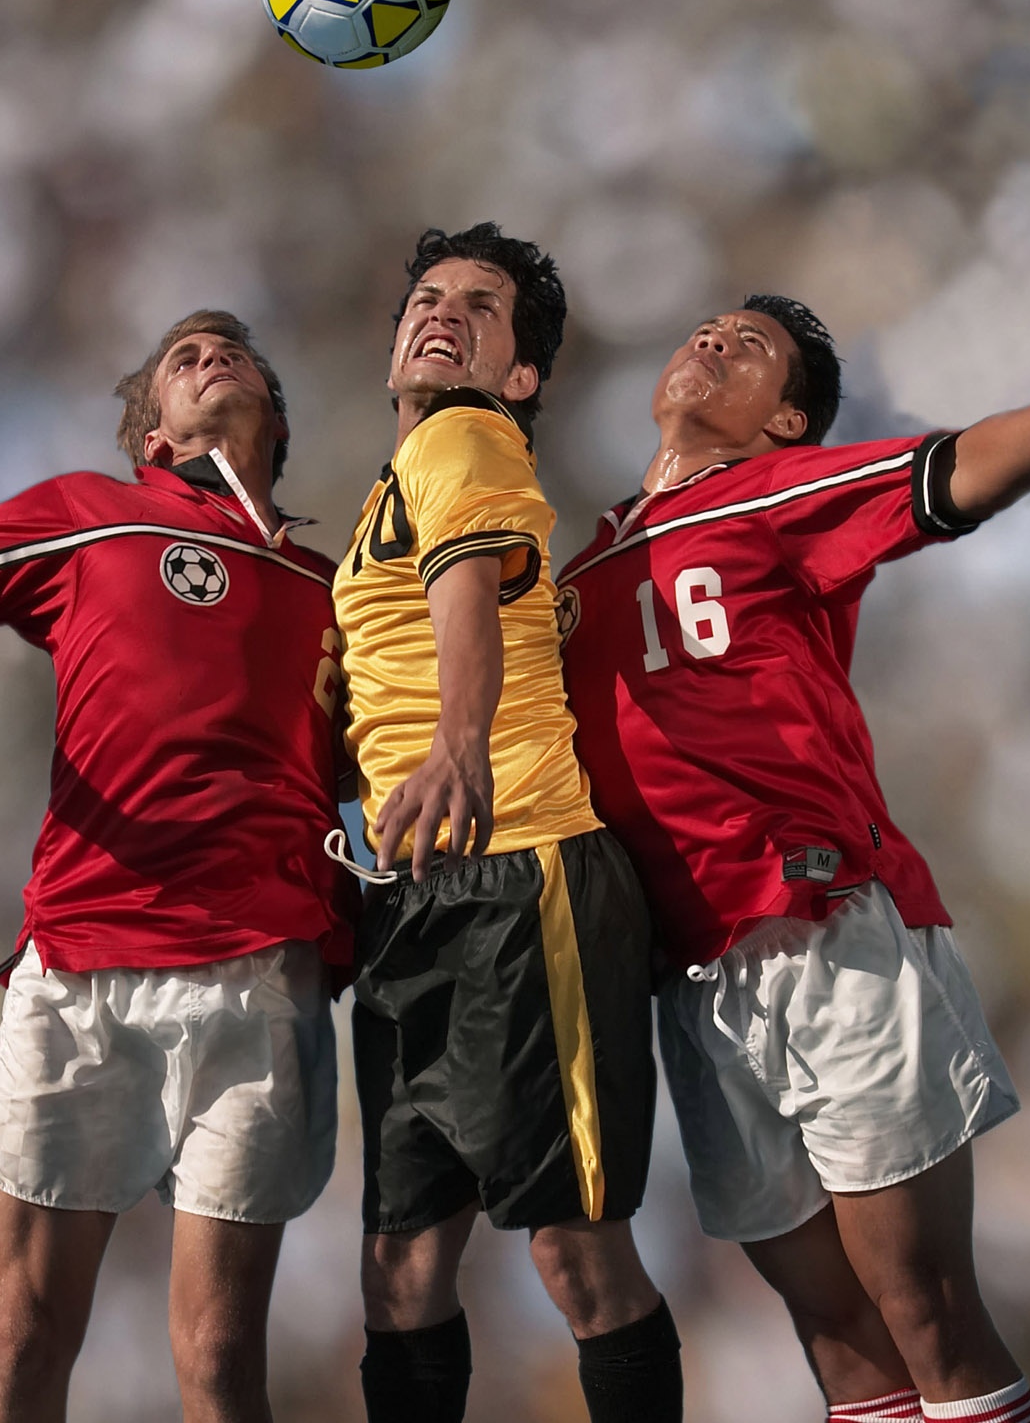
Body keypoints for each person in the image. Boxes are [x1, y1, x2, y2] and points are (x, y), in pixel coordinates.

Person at [556, 295, 1030, 1423]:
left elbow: (952, 475)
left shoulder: (766, 495)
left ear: (785, 421)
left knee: (923, 1303)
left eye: (750, 347)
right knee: (840, 1342)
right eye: (707, 327)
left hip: (823, 929)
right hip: (693, 977)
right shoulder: (586, 562)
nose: (713, 340)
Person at [0, 312, 349, 1423]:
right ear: (149, 436)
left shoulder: (337, 590)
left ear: (279, 415)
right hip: (81, 962)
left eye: (234, 350)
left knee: (218, 1353)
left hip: (258, 974)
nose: (209, 358)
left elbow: (373, 764)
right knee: (26, 1337)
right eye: (181, 358)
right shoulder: (92, 519)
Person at [332, 223, 679, 1423]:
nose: (444, 313)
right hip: (420, 894)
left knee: (573, 1255)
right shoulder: (400, 474)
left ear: (520, 376)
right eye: (426, 297)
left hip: (521, 874)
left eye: (482, 308)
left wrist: (459, 744)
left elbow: (469, 602)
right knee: (401, 1267)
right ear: (389, 350)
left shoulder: (469, 435)